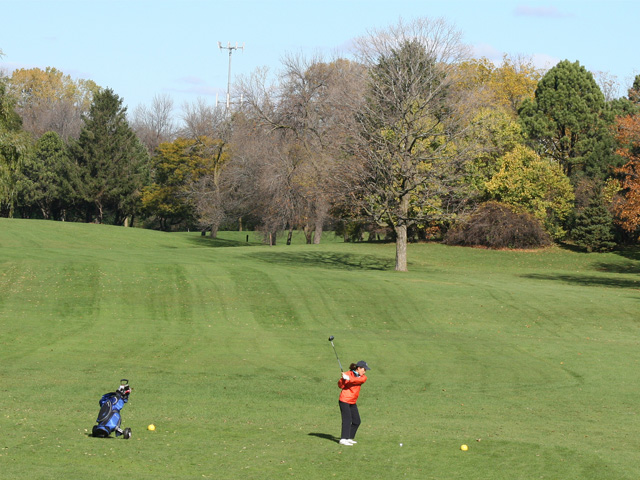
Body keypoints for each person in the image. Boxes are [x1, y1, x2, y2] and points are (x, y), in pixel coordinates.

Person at [337, 360, 370, 446]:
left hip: (352, 401)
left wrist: (348, 378)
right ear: (358, 368)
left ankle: (349, 437)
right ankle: (343, 439)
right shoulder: (348, 374)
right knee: (347, 420)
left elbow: (358, 381)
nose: (365, 371)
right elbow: (341, 386)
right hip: (344, 400)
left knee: (357, 421)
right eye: (364, 369)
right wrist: (343, 379)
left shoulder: (363, 377)